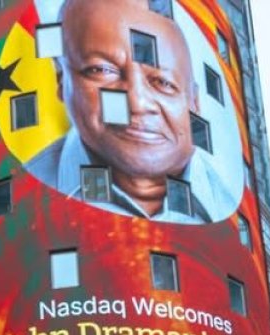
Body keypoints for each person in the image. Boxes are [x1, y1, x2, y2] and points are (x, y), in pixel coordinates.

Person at [27, 0, 239, 222]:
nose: (137, 103)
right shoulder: (27, 196)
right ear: (62, 82)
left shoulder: (229, 212)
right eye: (102, 70)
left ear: (193, 102)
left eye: (163, 83)